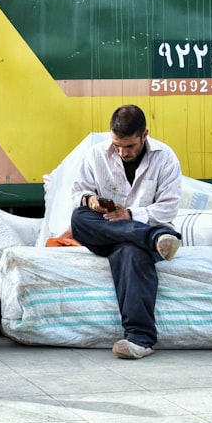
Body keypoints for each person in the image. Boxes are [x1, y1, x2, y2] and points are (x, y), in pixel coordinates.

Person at [69, 104, 183, 360]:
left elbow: (168, 208)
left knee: (131, 252)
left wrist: (129, 215)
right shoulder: (96, 154)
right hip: (112, 231)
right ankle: (155, 239)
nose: (123, 152)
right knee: (79, 217)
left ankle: (140, 340)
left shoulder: (165, 157)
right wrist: (91, 201)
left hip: (133, 234)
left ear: (145, 135)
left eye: (129, 146)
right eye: (117, 145)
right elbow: (77, 193)